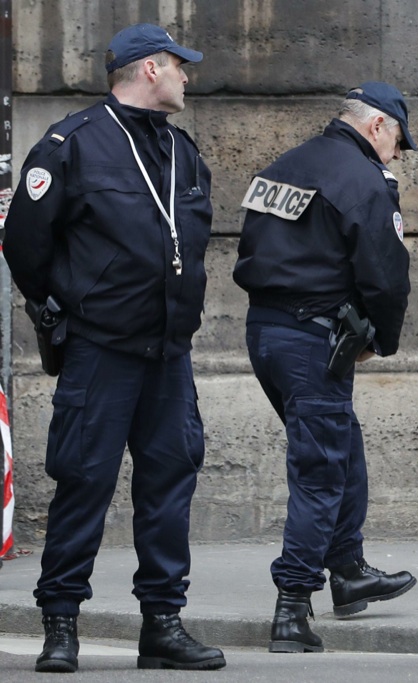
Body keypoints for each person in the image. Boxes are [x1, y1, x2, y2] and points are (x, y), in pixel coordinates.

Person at [4, 24, 224, 672]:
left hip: (168, 355)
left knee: (168, 486)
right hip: (101, 350)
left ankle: (162, 624)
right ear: (150, 69)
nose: (188, 76)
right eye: (180, 66)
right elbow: (24, 242)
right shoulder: (72, 145)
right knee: (84, 482)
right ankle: (61, 622)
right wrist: (55, 312)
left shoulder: (184, 150)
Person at [233, 82, 418, 653]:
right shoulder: (362, 179)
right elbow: (386, 276)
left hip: (266, 332)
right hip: (314, 340)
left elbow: (254, 245)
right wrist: (381, 341)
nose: (397, 154)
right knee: (319, 471)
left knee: (342, 446)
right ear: (376, 127)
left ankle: (348, 570)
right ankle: (292, 608)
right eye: (397, 142)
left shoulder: (285, 165)